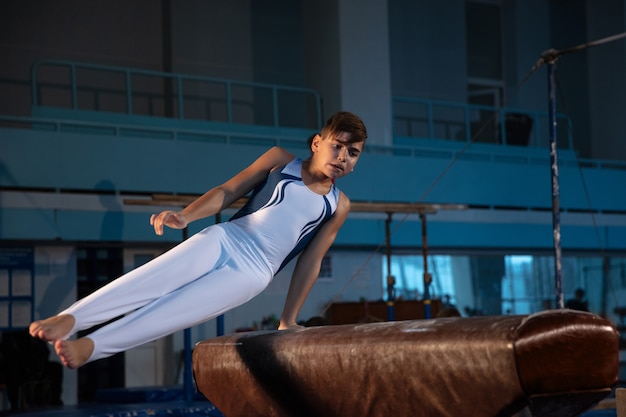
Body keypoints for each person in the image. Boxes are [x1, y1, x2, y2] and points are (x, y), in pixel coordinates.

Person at [29, 111, 367, 369]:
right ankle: (73, 318)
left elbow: (310, 261)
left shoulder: (338, 205)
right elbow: (228, 190)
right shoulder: (281, 160)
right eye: (337, 146)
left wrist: (287, 320)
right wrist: (187, 216)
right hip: (225, 238)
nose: (342, 157)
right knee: (152, 278)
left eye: (352, 153)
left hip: (253, 274)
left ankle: (93, 346)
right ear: (317, 143)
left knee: (174, 312)